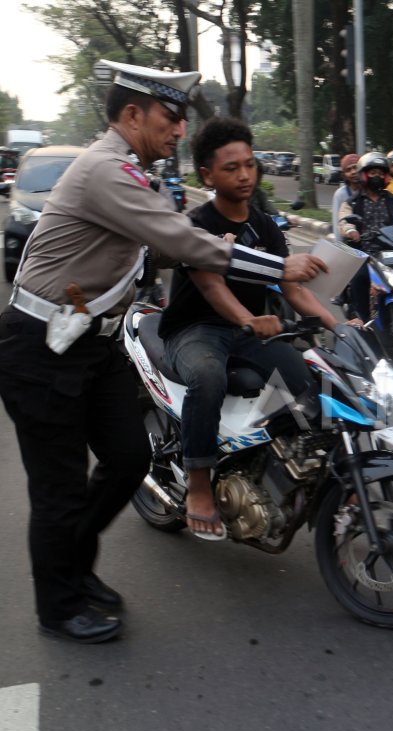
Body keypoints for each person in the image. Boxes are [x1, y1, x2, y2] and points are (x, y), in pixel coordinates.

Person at [0, 60, 324, 643]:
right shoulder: (105, 171)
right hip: (41, 348)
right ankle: (58, 605)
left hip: (92, 346)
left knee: (128, 459)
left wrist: (215, 251)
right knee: (60, 489)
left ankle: (73, 568)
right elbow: (177, 238)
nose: (179, 130)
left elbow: (155, 254)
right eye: (170, 117)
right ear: (132, 115)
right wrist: (276, 264)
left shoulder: (130, 175)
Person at [160, 117, 339, 541]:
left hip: (250, 332)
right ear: (207, 174)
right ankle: (199, 485)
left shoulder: (263, 225)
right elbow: (209, 283)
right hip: (195, 329)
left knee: (308, 378)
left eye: (250, 164)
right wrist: (247, 318)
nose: (244, 174)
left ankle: (278, 469)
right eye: (231, 167)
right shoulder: (196, 225)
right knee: (207, 375)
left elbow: (293, 290)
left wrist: (342, 325)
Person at [337, 151, 393, 322]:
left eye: (381, 173)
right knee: (360, 277)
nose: (377, 177)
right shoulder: (352, 202)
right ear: (364, 175)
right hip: (364, 253)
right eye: (373, 173)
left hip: (392, 252)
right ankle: (362, 318)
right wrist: (351, 230)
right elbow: (344, 221)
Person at [331, 153, 360, 243]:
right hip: (349, 241)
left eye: (356, 167)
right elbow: (338, 222)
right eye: (348, 170)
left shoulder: (370, 190)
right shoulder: (340, 194)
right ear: (344, 174)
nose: (353, 172)